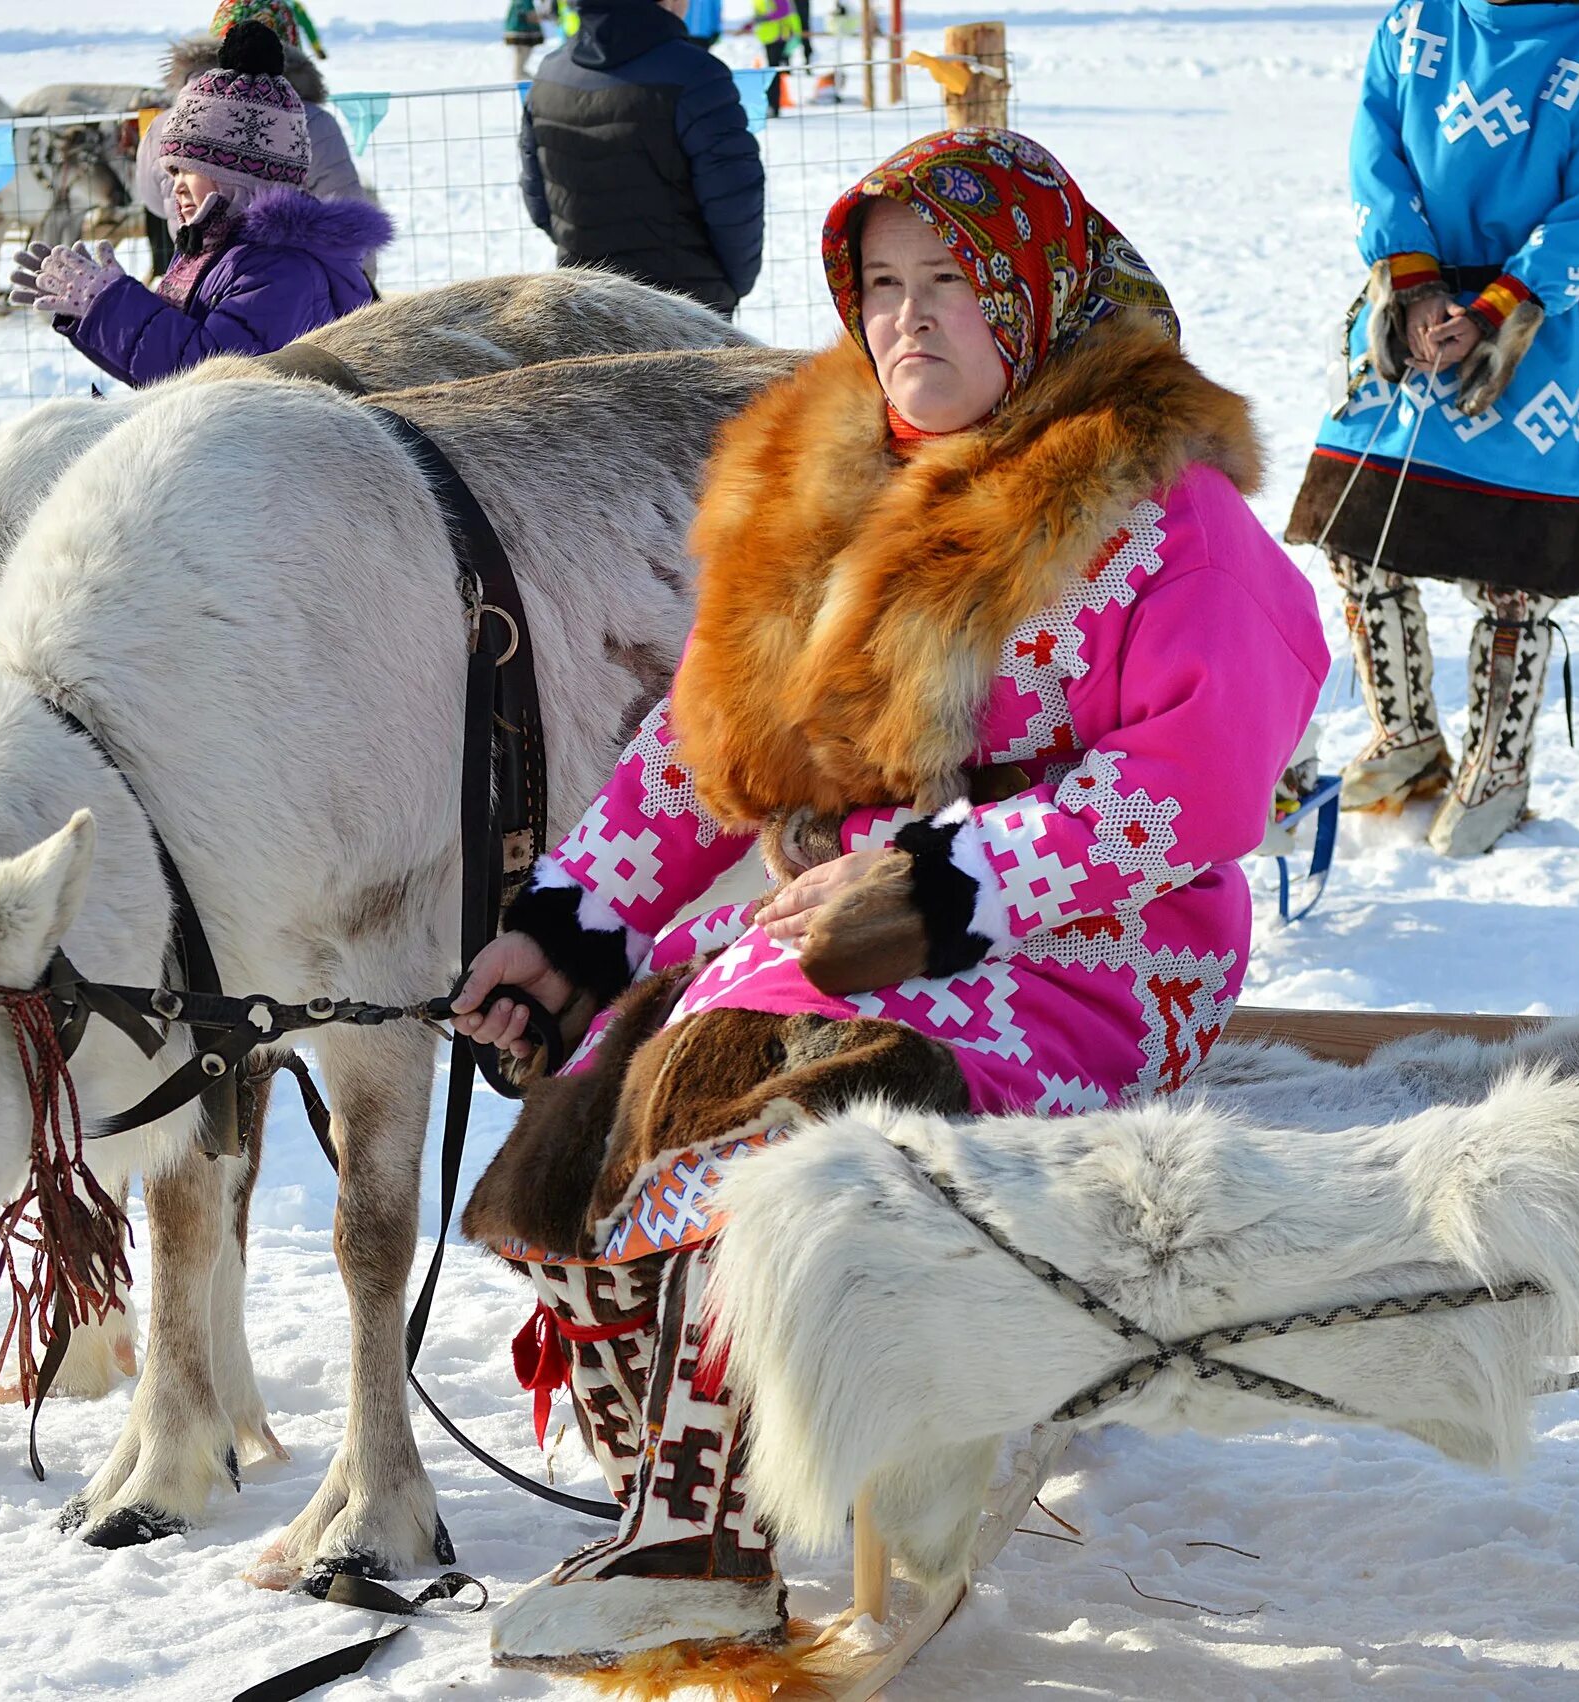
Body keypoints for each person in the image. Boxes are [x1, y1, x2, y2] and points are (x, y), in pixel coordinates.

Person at [452, 128, 1327, 1675]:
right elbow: (702, 743)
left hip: (1097, 953)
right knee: (614, 1085)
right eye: (882, 285)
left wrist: (945, 884)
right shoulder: (828, 492)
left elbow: (1198, 779)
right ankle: (689, 1497)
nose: (907, 318)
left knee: (789, 1092)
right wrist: (573, 926)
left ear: (1042, 295)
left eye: (953, 283)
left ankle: (701, 1523)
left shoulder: (1158, 515)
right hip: (842, 935)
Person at [1284, 0, 1579, 857]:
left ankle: (1498, 770)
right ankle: (1408, 736)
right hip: (1405, 321)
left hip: (1527, 338)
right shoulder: (1415, 24)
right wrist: (1415, 288)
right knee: (1358, 541)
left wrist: (1497, 310)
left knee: (1515, 575)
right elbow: (1376, 157)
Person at [9, 22, 393, 386]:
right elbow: (158, 375)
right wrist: (90, 313)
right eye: (171, 173)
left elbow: (212, 377)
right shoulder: (215, 250)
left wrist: (111, 305)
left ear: (239, 177)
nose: (175, 187)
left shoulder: (281, 269)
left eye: (186, 170)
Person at [518, 0, 764, 316]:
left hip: (586, 307)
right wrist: (730, 286)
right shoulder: (697, 75)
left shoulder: (548, 75)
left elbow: (539, 200)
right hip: (685, 313)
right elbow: (736, 202)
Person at [137, 0, 377, 232]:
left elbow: (154, 201)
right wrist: (359, 274)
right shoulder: (310, 121)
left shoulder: (169, 121)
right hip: (288, 266)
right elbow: (344, 215)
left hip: (193, 263)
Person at [505, 0, 546, 80]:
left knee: (519, 69)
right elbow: (530, 15)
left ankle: (534, 84)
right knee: (518, 71)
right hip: (522, 35)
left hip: (521, 34)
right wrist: (542, 15)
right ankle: (535, 85)